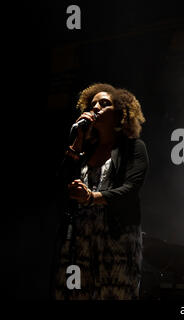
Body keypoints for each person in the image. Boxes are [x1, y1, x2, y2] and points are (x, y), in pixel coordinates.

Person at [53, 83, 149, 300]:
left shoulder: (133, 148)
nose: (95, 107)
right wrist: (78, 141)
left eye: (103, 103)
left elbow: (129, 190)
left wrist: (91, 197)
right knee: (73, 295)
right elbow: (60, 187)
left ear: (120, 114)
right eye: (92, 103)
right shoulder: (84, 154)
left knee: (113, 295)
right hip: (78, 244)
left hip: (116, 242)